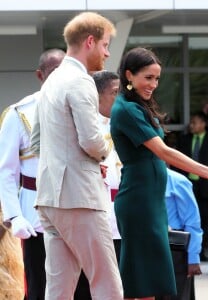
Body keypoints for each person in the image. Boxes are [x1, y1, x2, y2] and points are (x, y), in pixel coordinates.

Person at [110, 47, 208, 300]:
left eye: (157, 78)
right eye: (148, 77)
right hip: (139, 202)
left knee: (146, 279)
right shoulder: (127, 109)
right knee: (141, 280)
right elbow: (164, 152)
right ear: (129, 75)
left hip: (149, 200)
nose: (153, 84)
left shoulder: (135, 106)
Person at [30, 12, 123, 300]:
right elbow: (93, 142)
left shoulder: (51, 81)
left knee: (58, 289)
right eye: (106, 45)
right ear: (90, 41)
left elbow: (36, 143)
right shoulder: (81, 81)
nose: (107, 53)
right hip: (79, 197)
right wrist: (104, 154)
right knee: (108, 285)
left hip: (49, 199)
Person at [0, 49, 66, 300]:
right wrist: (14, 215)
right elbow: (6, 171)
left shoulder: (86, 108)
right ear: (40, 75)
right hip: (36, 211)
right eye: (54, 73)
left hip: (78, 211)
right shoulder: (20, 113)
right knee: (39, 283)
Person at [176, 111, 208, 261]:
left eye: (195, 122)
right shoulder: (184, 139)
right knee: (185, 218)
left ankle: (200, 251)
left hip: (205, 186)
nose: (191, 125)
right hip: (187, 184)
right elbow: (177, 163)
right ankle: (185, 251)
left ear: (203, 124)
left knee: (203, 219)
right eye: (191, 122)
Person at [159, 168, 202, 300]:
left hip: (174, 246)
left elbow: (192, 221)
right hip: (146, 246)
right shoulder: (132, 178)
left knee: (177, 295)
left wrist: (193, 258)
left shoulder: (177, 181)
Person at [92, 70, 122, 262]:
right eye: (114, 93)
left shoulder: (123, 124)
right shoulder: (87, 126)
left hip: (123, 211)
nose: (119, 98)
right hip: (97, 211)